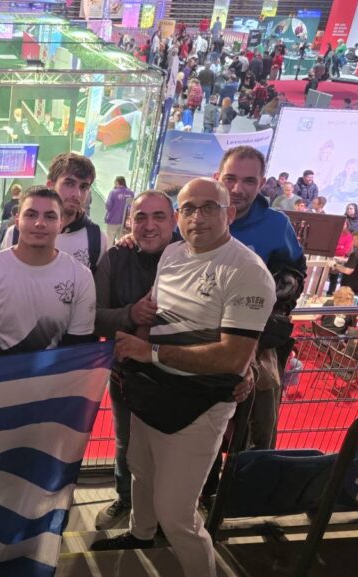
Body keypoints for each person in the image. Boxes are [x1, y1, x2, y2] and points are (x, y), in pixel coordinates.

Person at [92, 178, 275, 577]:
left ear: (230, 213)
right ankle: (141, 534)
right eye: (189, 209)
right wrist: (139, 356)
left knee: (177, 515)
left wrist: (150, 353)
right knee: (141, 471)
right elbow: (155, 313)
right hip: (153, 389)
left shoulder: (248, 272)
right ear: (180, 217)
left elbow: (233, 356)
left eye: (209, 208)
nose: (198, 217)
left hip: (199, 404)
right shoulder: (173, 253)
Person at [92, 190, 175, 531]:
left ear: (174, 221)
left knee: (172, 446)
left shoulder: (193, 258)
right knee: (126, 440)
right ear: (129, 221)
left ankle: (168, 511)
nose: (149, 225)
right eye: (141, 217)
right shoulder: (115, 257)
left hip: (179, 374)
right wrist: (130, 314)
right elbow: (94, 317)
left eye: (159, 216)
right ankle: (126, 499)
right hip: (127, 373)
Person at [218, 146, 306, 451]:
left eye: (248, 181)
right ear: (217, 177)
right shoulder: (198, 214)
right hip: (200, 331)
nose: (237, 189)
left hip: (253, 334)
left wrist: (266, 317)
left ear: (261, 183)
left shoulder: (276, 225)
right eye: (230, 178)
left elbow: (295, 275)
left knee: (264, 394)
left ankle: (252, 466)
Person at [0, 186, 96, 357]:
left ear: (60, 224)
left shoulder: (81, 276)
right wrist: (18, 371)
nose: (39, 223)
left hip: (57, 374)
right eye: (31, 215)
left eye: (50, 216)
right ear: (17, 220)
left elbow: (77, 345)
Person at [0, 153, 108, 272]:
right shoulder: (16, 233)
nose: (76, 194)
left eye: (83, 187)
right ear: (50, 185)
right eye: (69, 184)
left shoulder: (97, 239)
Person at [332, 230, 358, 297]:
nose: (352, 242)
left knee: (344, 302)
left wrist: (335, 265)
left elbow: (348, 271)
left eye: (354, 239)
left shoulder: (355, 254)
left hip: (350, 285)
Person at [104, 176, 135, 242]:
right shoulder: (131, 193)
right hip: (124, 222)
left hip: (113, 220)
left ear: (117, 182)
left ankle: (110, 249)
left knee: (109, 240)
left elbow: (108, 206)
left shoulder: (113, 192)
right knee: (121, 241)